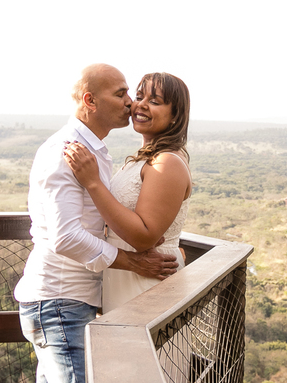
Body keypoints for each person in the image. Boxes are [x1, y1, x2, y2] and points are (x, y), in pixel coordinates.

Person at [14, 63, 179, 383]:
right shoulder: (67, 151)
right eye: (121, 93)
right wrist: (131, 261)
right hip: (59, 299)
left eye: (136, 94)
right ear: (89, 100)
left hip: (62, 297)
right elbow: (63, 236)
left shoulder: (96, 151)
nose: (130, 102)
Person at [62, 71, 192, 312]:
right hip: (127, 275)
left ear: (175, 115)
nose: (140, 105)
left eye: (155, 101)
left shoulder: (167, 162)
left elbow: (143, 237)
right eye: (140, 96)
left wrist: (93, 183)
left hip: (148, 279)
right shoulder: (144, 159)